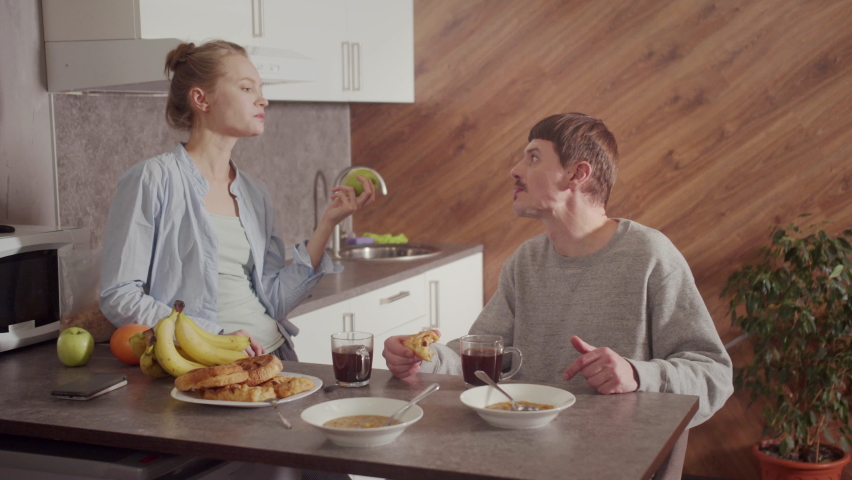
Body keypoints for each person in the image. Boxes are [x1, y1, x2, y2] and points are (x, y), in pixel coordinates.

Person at [382, 113, 734, 480]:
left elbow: (714, 374)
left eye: (533, 157)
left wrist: (636, 373)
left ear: (577, 174)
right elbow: (483, 360)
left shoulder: (651, 256)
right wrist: (424, 358)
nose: (515, 170)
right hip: (521, 461)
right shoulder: (526, 261)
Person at [100, 40, 374, 363]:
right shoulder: (152, 179)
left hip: (277, 354)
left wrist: (328, 223)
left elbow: (274, 298)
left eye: (260, 88)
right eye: (246, 88)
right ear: (201, 99)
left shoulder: (255, 192)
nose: (263, 99)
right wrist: (209, 335)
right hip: (206, 362)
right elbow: (119, 296)